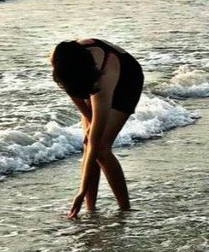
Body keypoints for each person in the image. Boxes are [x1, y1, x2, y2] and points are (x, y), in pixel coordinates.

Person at [50, 38, 144, 218]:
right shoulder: (60, 58)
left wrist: (80, 190)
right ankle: (89, 209)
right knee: (87, 142)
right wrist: (87, 115)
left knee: (100, 147)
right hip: (86, 73)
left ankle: (125, 210)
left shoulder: (103, 77)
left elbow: (95, 139)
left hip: (127, 80)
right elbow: (70, 88)